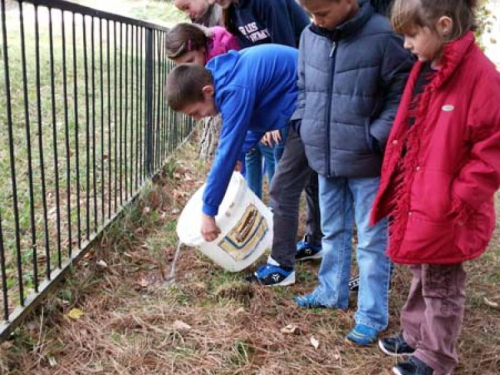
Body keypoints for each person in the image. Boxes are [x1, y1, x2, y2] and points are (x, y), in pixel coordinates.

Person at [371, 0, 500, 374]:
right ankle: (415, 334)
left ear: (443, 26)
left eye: (412, 35)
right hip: (420, 194)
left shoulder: (482, 78)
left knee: (443, 282)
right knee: (421, 269)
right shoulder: (426, 67)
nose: (407, 45)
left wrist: (459, 196)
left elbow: (491, 148)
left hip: (448, 206)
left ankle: (436, 356)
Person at [292, 0, 413, 347]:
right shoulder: (309, 35)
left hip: (367, 162)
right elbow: (302, 87)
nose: (316, 20)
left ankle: (371, 315)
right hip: (325, 156)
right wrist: (305, 124)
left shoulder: (384, 36)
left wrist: (375, 136)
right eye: (310, 13)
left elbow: (403, 94)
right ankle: (331, 291)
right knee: (332, 230)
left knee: (373, 242)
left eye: (323, 13)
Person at [165, 45, 299, 244]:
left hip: (311, 96)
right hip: (302, 95)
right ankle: (314, 241)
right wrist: (240, 151)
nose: (196, 118)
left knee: (282, 189)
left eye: (195, 112)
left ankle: (282, 260)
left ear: (207, 91)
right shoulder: (222, 78)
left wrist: (208, 211)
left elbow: (226, 152)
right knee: (300, 185)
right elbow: (255, 120)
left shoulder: (234, 90)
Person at [165, 23, 240, 65]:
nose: (188, 69)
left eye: (190, 61)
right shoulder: (200, 63)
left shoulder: (223, 44)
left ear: (201, 47)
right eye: (181, 66)